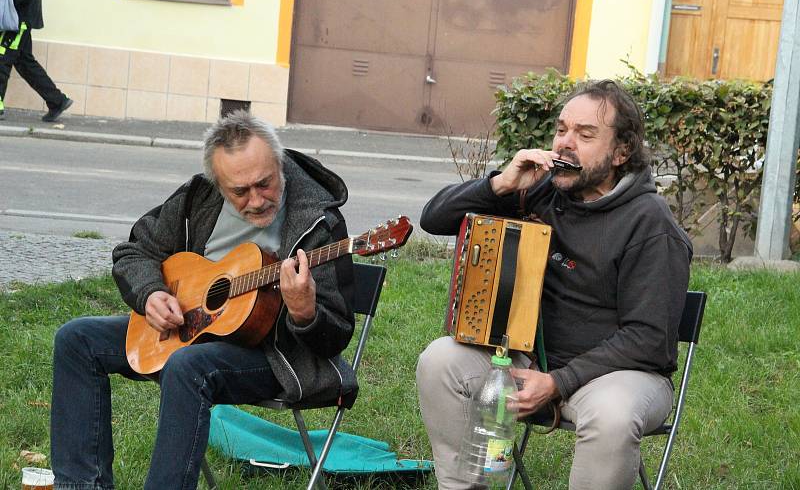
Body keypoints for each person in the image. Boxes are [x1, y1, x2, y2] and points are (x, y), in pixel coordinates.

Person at [50, 110, 356, 489]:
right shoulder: (199, 196)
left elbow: (337, 334)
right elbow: (135, 251)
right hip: (192, 331)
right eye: (239, 192)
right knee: (76, 339)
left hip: (278, 354)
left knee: (187, 365)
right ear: (218, 184)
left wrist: (305, 311)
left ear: (279, 165)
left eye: (265, 183)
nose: (256, 200)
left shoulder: (319, 220)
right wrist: (151, 294)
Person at [416, 80, 693, 489]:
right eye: (562, 130)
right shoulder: (543, 190)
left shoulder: (650, 224)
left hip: (619, 377)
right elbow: (434, 220)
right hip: (532, 363)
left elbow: (650, 339)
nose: (565, 143)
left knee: (612, 415)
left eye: (585, 135)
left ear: (622, 152)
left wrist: (558, 383)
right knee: (441, 361)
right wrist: (500, 185)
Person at [0, 0, 72, 122]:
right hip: (16, 11)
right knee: (23, 61)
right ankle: (57, 101)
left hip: (20, 15)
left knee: (2, 54)